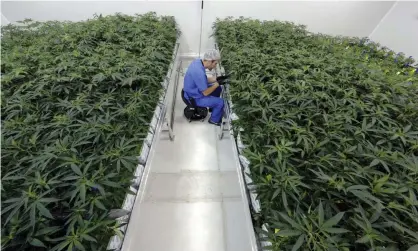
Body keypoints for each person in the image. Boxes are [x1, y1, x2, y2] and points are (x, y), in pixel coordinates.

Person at [183, 49, 224, 126]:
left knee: (218, 89)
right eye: (215, 63)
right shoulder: (199, 73)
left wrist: (216, 79)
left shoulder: (198, 62)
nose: (215, 66)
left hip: (191, 90)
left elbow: (203, 80)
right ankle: (214, 120)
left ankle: (213, 107)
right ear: (210, 61)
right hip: (193, 98)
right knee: (220, 102)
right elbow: (205, 93)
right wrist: (217, 84)